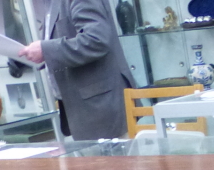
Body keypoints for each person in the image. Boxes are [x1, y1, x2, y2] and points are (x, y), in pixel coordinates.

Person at [18, 0, 133, 140]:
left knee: (117, 161)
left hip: (102, 111)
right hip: (84, 111)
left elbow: (96, 40)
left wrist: (45, 50)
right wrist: (27, 57)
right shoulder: (50, 4)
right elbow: (61, 42)